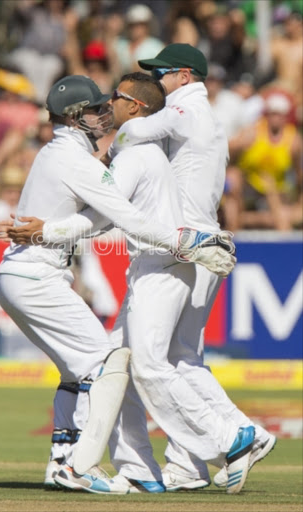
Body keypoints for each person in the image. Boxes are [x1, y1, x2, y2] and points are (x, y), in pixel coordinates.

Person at [3, 73, 254, 496]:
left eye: (109, 104)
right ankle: (92, 467)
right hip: (44, 275)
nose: (105, 113)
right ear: (75, 117)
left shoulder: (102, 153)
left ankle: (75, 462)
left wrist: (47, 231)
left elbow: (101, 221)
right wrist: (188, 242)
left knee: (97, 370)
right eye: (97, 108)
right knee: (110, 365)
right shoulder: (87, 157)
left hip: (47, 273)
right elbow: (119, 219)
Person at [99, 44, 276, 491]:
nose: (155, 83)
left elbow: (130, 132)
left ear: (183, 76)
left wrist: (111, 145)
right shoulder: (204, 115)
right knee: (184, 358)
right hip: (202, 240)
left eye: (161, 74)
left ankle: (236, 438)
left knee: (157, 360)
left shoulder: (184, 108)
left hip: (185, 244)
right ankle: (187, 465)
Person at [224, 92, 303, 231]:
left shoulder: (293, 140)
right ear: (266, 115)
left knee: (274, 195)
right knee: (233, 177)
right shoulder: (252, 132)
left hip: (277, 187)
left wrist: (298, 198)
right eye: (272, 114)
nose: (276, 119)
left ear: (286, 117)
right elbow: (226, 151)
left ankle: (284, 243)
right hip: (249, 183)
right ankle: (233, 234)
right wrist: (239, 145)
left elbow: (298, 172)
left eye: (280, 114)